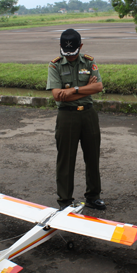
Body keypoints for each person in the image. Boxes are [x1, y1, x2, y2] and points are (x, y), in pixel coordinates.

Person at [46, 29, 106, 210]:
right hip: (67, 116)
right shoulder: (55, 65)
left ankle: (93, 196)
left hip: (88, 115)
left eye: (73, 53)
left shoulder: (89, 61)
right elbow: (57, 95)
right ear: (61, 47)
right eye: (66, 53)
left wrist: (73, 90)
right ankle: (65, 201)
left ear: (80, 46)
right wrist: (84, 88)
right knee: (66, 159)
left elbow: (98, 86)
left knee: (93, 157)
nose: (70, 57)